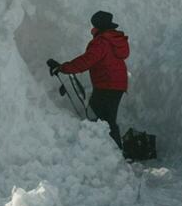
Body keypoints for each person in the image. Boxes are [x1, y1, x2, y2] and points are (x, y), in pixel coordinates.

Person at [49, 11, 130, 145]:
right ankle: (110, 149)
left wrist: (63, 68)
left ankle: (113, 151)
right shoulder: (113, 39)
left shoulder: (102, 41)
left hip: (107, 85)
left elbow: (87, 61)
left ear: (98, 26)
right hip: (116, 84)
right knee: (105, 118)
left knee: (100, 119)